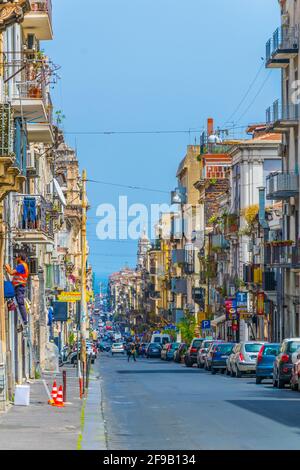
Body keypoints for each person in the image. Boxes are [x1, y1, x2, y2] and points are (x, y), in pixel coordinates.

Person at [5, 253, 29, 326]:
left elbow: (11, 272)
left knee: (20, 303)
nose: (16, 259)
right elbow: (12, 274)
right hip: (18, 286)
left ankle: (24, 320)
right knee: (16, 301)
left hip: (20, 287)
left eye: (17, 257)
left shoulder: (22, 265)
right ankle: (24, 319)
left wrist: (7, 267)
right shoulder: (22, 265)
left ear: (20, 258)